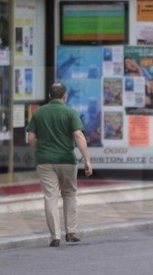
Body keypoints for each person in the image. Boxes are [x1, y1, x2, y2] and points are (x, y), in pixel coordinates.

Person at [26, 82, 93, 247]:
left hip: (45, 161)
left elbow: (31, 138)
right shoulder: (70, 112)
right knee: (69, 194)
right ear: (65, 96)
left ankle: (55, 236)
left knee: (50, 196)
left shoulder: (38, 113)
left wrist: (38, 150)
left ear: (49, 96)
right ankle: (70, 232)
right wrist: (87, 159)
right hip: (67, 160)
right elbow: (78, 135)